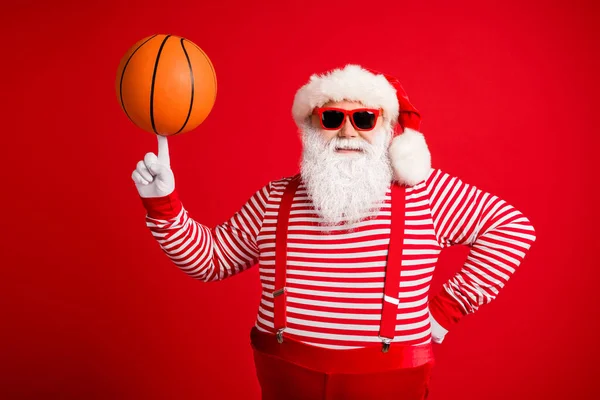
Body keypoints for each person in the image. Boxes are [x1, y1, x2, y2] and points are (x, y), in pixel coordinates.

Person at [131, 64, 536, 400]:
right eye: (331, 118)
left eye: (363, 118)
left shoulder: (425, 193)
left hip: (389, 383)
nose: (347, 131)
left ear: (386, 129)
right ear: (310, 127)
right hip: (285, 378)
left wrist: (448, 309)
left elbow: (512, 228)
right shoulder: (275, 198)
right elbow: (211, 261)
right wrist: (164, 203)